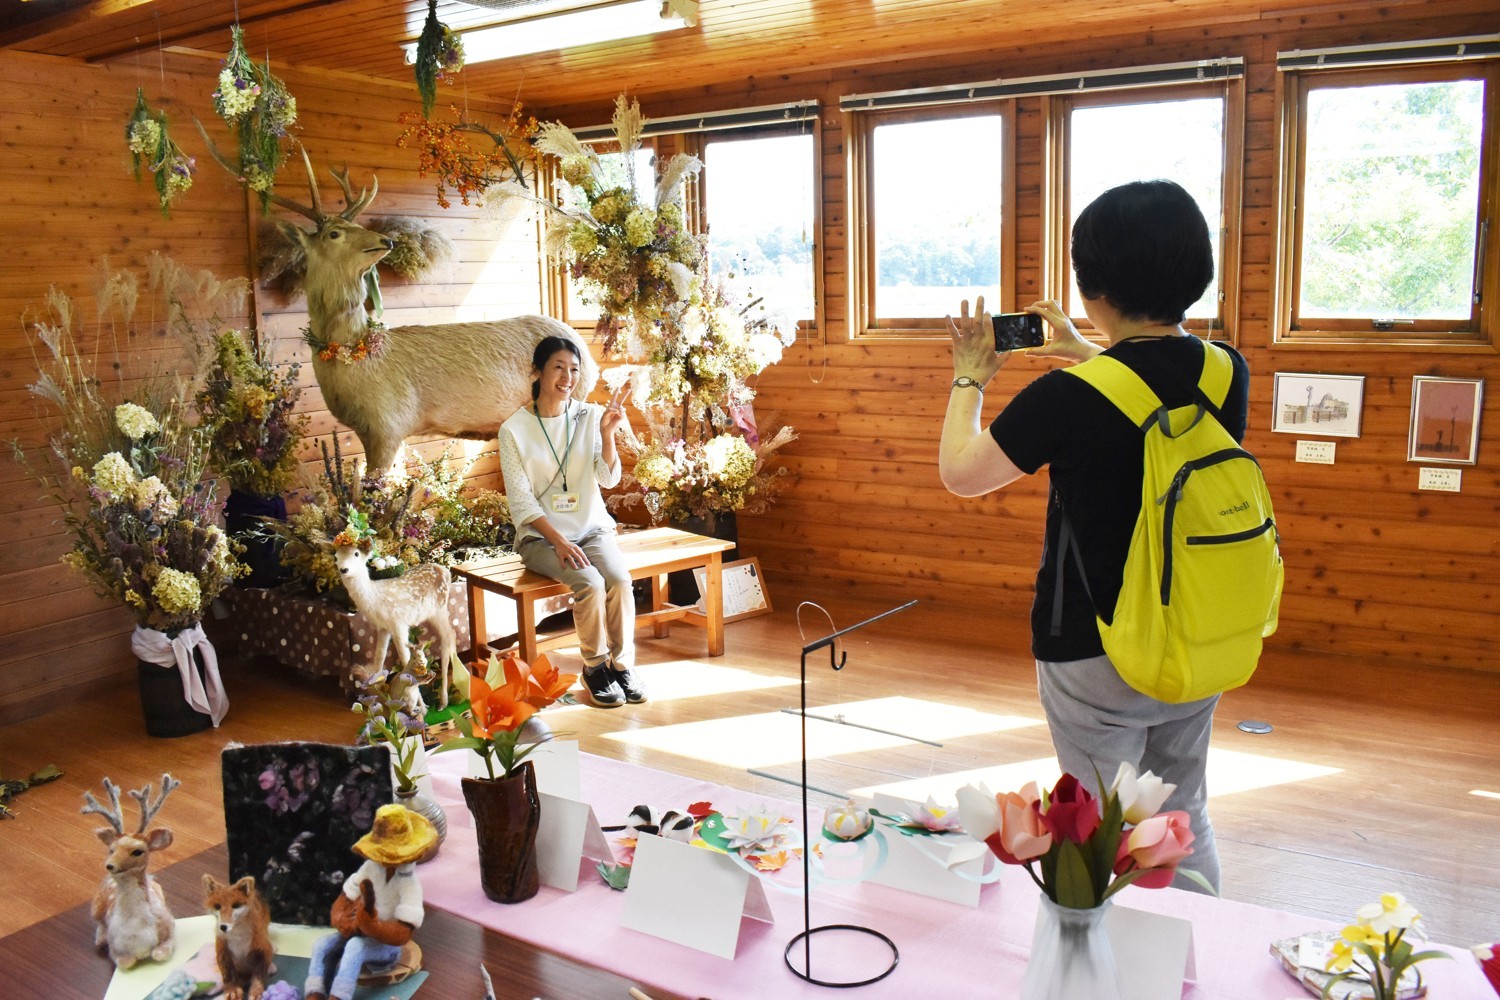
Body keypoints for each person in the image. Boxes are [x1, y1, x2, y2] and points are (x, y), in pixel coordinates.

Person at [938, 179, 1249, 894]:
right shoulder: (1227, 371)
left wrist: (969, 379)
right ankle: (1196, 941)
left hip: (1094, 643)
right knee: (1182, 812)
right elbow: (1149, 395)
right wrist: (1087, 348)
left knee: (1107, 827)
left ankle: (1109, 948)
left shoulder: (1066, 398)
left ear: (1092, 286)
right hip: (1199, 630)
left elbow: (961, 473)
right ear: (1197, 271)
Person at [498, 336, 643, 708]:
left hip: (592, 528)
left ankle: (622, 665)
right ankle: (594, 667)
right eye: (559, 368)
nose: (567, 378)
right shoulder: (513, 429)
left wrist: (608, 435)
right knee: (590, 582)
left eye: (574, 369)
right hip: (541, 539)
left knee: (620, 580)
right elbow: (521, 501)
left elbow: (607, 478)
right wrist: (559, 541)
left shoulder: (589, 416)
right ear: (538, 372)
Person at [304, 803, 436, 1000]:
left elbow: (402, 934)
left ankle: (339, 996)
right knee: (322, 944)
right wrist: (343, 920)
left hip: (387, 947)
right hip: (359, 931)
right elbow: (346, 898)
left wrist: (373, 926)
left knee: (355, 947)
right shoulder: (370, 868)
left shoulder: (410, 885)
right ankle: (315, 992)